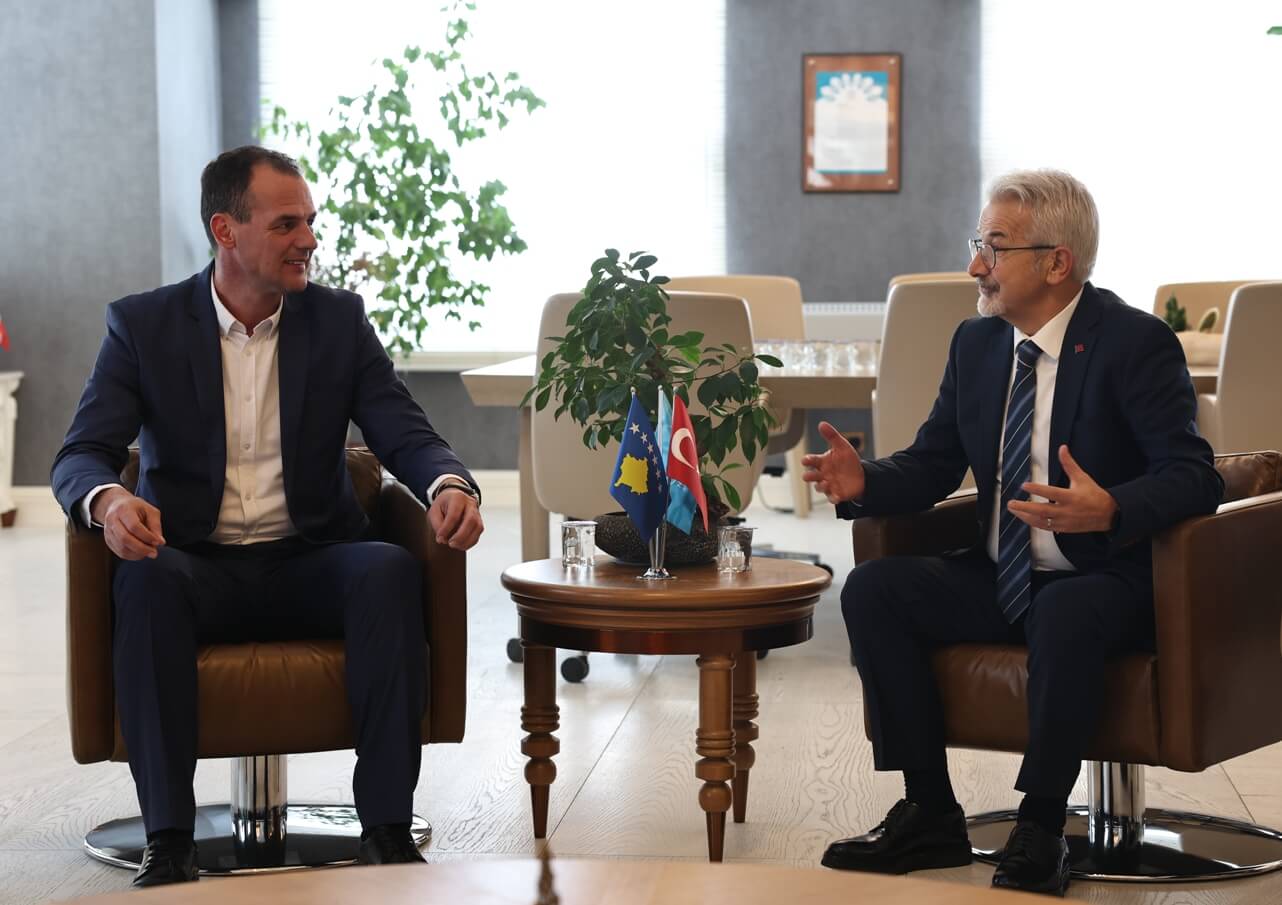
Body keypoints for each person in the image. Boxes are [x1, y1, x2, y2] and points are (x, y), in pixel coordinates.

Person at [51, 146, 484, 887]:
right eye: (287, 224)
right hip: (192, 564)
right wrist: (109, 499)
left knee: (386, 569)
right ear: (225, 230)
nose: (309, 239)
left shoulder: (338, 321)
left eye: (310, 221)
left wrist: (448, 483)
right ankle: (168, 841)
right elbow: (81, 453)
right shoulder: (144, 325)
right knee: (145, 582)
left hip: (310, 558)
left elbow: (404, 431)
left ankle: (386, 831)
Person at [802, 169, 1222, 896]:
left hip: (1107, 578)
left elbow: (1195, 475)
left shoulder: (1133, 342)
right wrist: (865, 480)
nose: (976, 266)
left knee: (1065, 608)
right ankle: (929, 810)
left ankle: (1041, 826)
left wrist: (1111, 507)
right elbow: (935, 462)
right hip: (1003, 573)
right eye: (977, 244)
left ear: (1057, 263)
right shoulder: (978, 343)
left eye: (994, 248)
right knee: (873, 590)